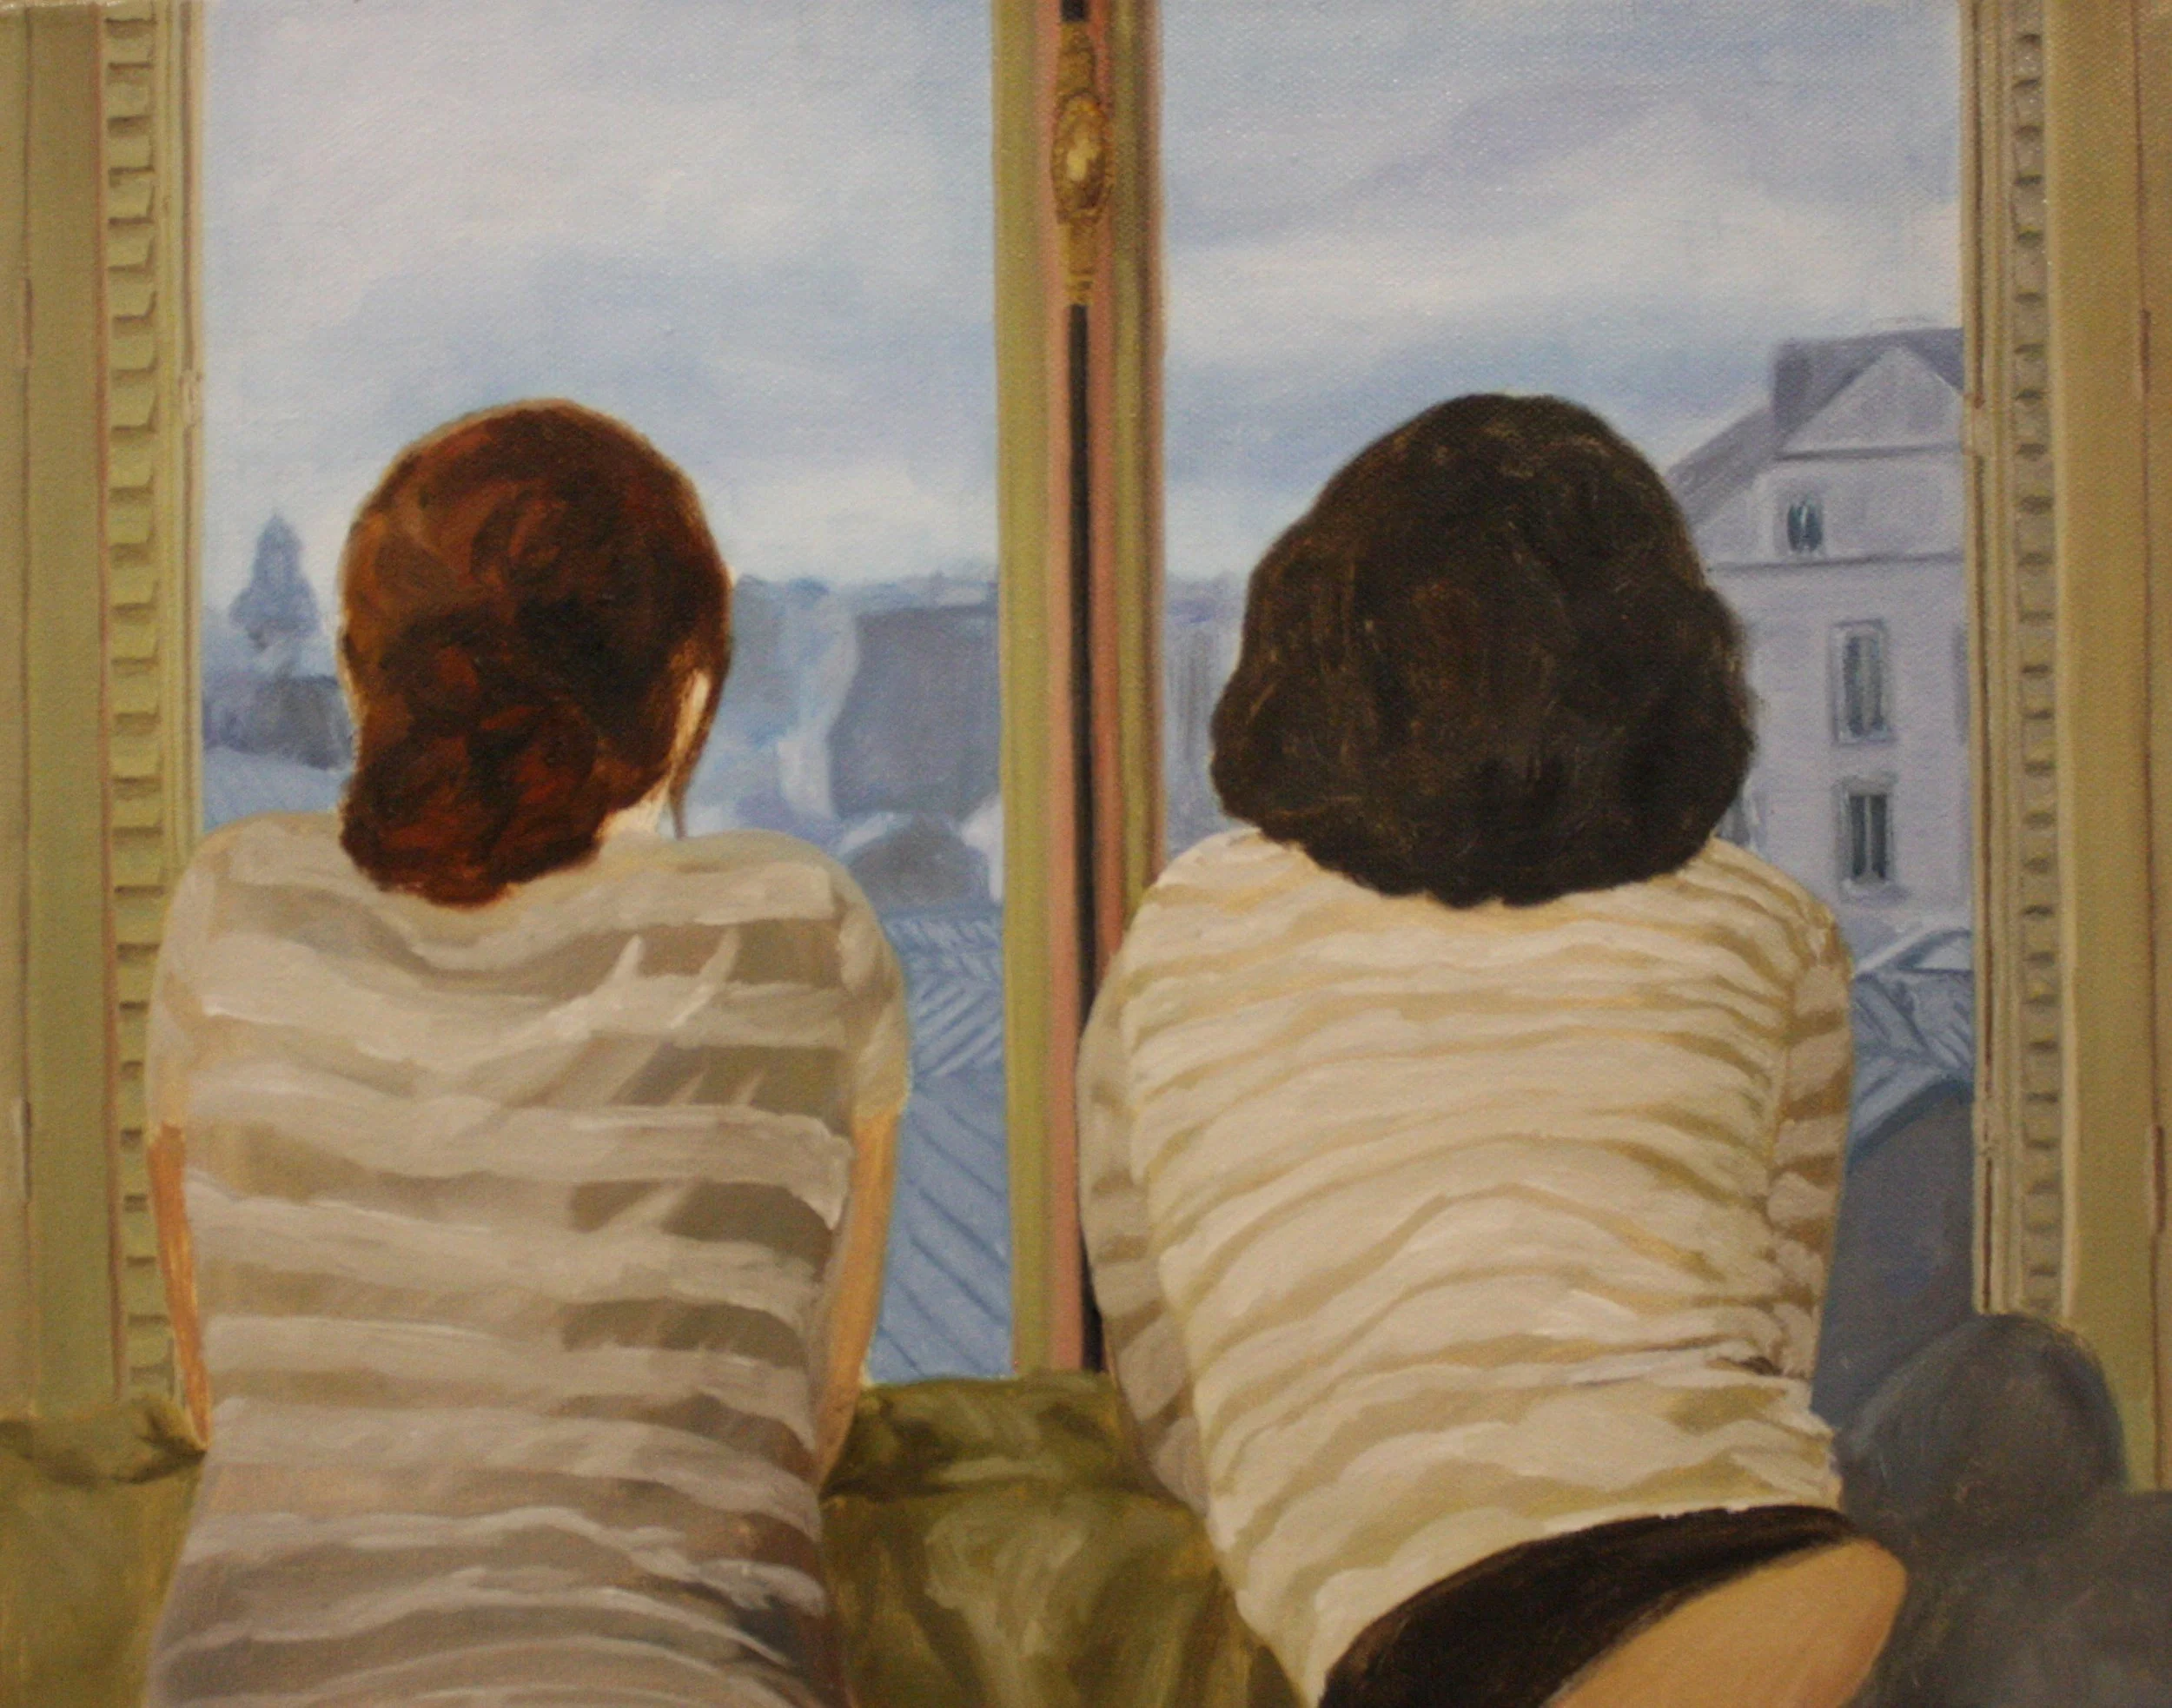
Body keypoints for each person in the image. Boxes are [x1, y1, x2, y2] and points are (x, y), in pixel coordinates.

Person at [1078, 394, 1904, 1708]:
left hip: (1407, 1638)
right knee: (2021, 1407)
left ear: (1314, 641)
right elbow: (1770, 1339)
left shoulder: (1185, 923)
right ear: (1660, 660)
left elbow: (1167, 1390)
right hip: (1756, 1591)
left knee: (2016, 1403)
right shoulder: (1764, 927)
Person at [142, 401, 907, 1708]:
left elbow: (216, 1399)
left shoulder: (234, 904)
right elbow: (814, 1421)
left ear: (366, 679)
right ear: (689, 696)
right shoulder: (799, 923)